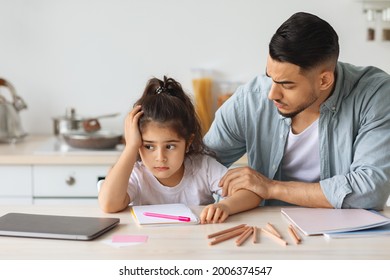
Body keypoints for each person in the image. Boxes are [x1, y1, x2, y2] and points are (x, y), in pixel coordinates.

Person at [204, 12, 390, 210]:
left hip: (340, 234)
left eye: (287, 84)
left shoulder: (374, 95)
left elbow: (371, 190)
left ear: (324, 80)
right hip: (265, 229)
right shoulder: (251, 99)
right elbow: (198, 165)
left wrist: (271, 188)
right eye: (270, 78)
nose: (272, 94)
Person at [98, 76, 261, 223]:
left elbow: (251, 193)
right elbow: (109, 205)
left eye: (169, 146)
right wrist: (130, 146)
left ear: (188, 142)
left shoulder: (203, 167)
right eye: (149, 146)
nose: (160, 157)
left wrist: (226, 206)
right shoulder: (137, 174)